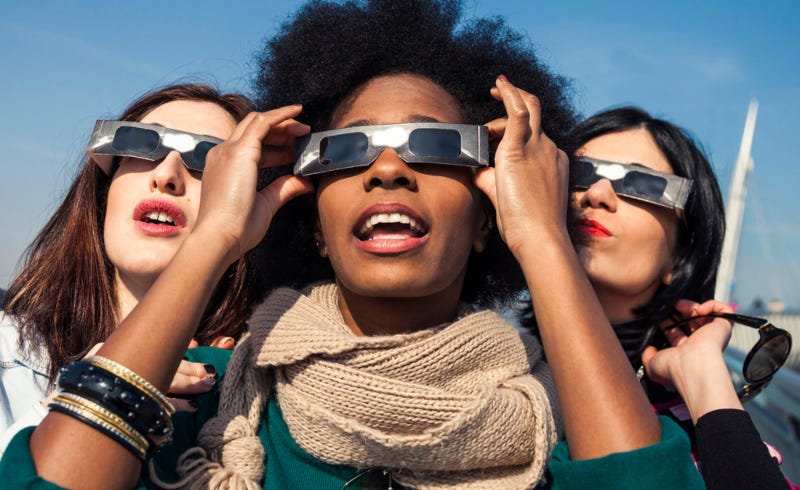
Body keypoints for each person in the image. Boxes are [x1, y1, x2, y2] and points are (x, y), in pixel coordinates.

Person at [1, 1, 705, 488]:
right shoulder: (199, 399)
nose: (389, 169)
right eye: (348, 149)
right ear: (312, 219)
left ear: (490, 211)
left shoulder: (565, 428)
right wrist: (213, 236)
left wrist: (545, 242)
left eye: (433, 145)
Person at [0, 83, 261, 448]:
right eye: (143, 145)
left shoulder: (271, 389)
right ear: (106, 189)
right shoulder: (6, 352)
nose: (167, 174)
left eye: (209, 160)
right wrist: (85, 400)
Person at [563, 106, 793, 489]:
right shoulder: (486, 364)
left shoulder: (692, 434)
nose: (597, 194)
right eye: (579, 173)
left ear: (681, 254)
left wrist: (703, 375)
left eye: (641, 184)